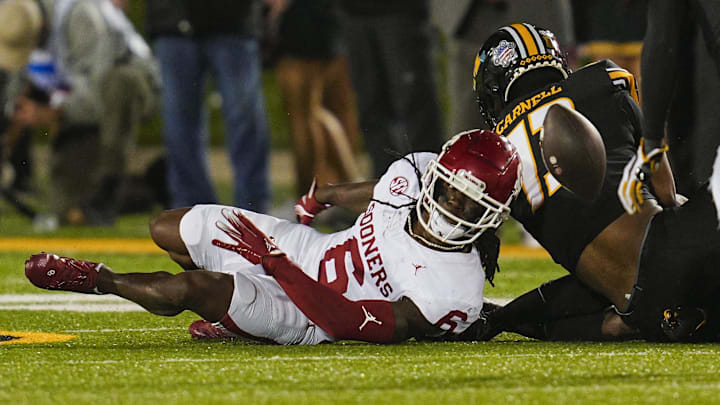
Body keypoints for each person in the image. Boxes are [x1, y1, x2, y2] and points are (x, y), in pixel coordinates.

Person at [25, 129, 522, 345]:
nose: (453, 207)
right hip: (309, 251)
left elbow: (347, 322)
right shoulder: (413, 174)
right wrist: (319, 197)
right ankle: (232, 315)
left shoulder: (454, 289)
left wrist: (275, 263)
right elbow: (382, 188)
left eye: (471, 203)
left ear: (494, 214)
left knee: (187, 290)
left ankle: (99, 278)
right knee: (169, 229)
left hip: (311, 313)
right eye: (449, 191)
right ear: (435, 176)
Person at [461, 23, 720, 343]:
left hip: (641, 305)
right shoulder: (603, 81)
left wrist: (499, 318)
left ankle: (502, 318)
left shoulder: (495, 154)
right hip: (672, 249)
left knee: (611, 301)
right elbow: (665, 192)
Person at [0, 0, 160, 225]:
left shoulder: (80, 16)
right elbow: (15, 91)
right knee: (68, 208)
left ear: (41, 26)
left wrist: (49, 114)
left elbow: (97, 94)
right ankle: (155, 183)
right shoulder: (16, 19)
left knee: (119, 83)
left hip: (134, 88)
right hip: (78, 104)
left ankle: (109, 190)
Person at [145, 0, 271, 211]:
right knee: (180, 123)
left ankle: (253, 209)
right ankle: (193, 212)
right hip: (173, 20)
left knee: (244, 120)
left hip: (233, 20)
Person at [340, 0, 445, 178]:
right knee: (370, 109)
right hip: (353, 14)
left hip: (401, 13)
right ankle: (386, 189)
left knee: (414, 106)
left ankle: (429, 184)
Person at [273, 0, 362, 195]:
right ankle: (345, 189)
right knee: (317, 114)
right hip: (324, 22)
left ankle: (311, 196)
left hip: (307, 24)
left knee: (306, 116)